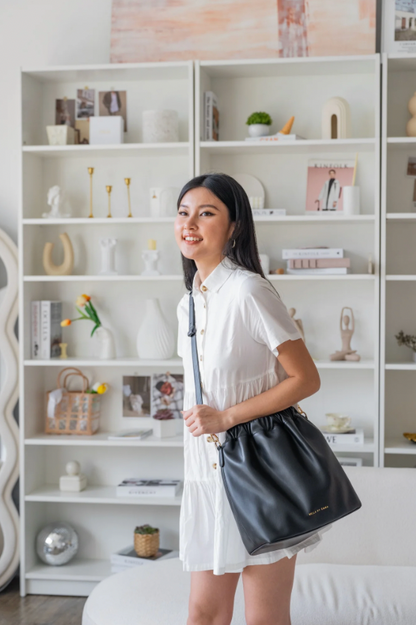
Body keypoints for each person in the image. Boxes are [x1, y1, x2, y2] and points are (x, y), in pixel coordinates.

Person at [174, 173, 332, 625]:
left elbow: (305, 379)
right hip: (205, 478)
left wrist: (224, 417)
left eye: (207, 213)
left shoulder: (249, 291)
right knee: (203, 614)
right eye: (184, 213)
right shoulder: (188, 303)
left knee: (264, 619)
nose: (190, 223)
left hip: (259, 475)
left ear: (235, 226)